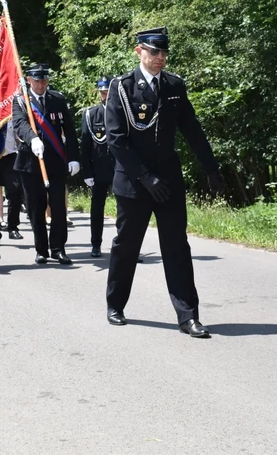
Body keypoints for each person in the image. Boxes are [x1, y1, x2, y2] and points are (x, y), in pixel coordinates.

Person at [104, 27, 225, 337]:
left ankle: (188, 316)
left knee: (176, 247)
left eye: (164, 53)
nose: (160, 58)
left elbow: (192, 129)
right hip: (134, 183)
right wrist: (145, 177)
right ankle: (115, 304)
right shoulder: (122, 87)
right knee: (127, 245)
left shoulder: (174, 86)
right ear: (139, 51)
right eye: (154, 52)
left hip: (168, 180)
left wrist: (211, 168)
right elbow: (117, 140)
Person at [11, 64, 80, 265]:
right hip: (30, 163)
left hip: (56, 161)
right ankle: (41, 249)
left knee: (58, 207)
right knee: (36, 207)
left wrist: (73, 157)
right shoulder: (21, 101)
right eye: (37, 80)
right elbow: (19, 124)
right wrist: (32, 139)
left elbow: (69, 130)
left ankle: (58, 248)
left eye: (44, 80)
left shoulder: (57, 99)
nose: (41, 84)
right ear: (30, 80)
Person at [80, 76, 115, 258]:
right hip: (99, 169)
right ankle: (96, 244)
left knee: (127, 211)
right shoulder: (91, 114)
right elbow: (85, 146)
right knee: (97, 209)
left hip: (120, 169)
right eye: (103, 92)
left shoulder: (122, 112)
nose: (106, 95)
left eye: (108, 91)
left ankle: (127, 246)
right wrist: (87, 171)